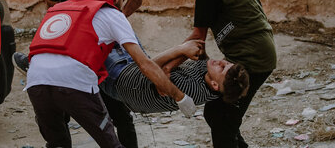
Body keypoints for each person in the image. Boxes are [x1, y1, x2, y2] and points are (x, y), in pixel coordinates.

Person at [24, 0, 196, 148]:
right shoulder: (112, 13)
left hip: (35, 79)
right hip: (75, 81)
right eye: (123, 0)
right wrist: (179, 96)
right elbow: (143, 63)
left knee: (57, 143)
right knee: (110, 143)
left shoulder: (62, 8)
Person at [12, 0, 143, 147]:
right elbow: (52, 13)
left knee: (120, 113)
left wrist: (111, 25)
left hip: (105, 48)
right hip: (72, 52)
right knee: (60, 116)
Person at [175, 0, 277, 148]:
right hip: (257, 52)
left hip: (252, 57)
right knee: (219, 114)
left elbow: (197, 38)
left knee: (222, 117)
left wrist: (161, 67)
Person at [100, 39, 250, 114]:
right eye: (226, 62)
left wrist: (181, 50)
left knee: (91, 34)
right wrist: (187, 52)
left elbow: (151, 67)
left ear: (215, 85)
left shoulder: (192, 90)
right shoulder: (211, 78)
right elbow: (198, 50)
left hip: (120, 79)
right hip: (133, 69)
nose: (220, 61)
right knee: (118, 20)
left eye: (222, 67)